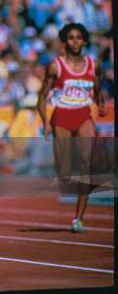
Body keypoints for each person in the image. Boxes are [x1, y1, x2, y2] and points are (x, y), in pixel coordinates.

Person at [36, 22, 106, 233]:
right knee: (65, 173)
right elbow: (41, 98)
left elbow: (98, 90)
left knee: (86, 167)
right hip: (62, 117)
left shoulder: (93, 66)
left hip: (83, 115)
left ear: (84, 41)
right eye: (71, 38)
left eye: (79, 37)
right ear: (65, 42)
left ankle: (78, 219)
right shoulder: (56, 66)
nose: (75, 41)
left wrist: (100, 105)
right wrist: (45, 123)